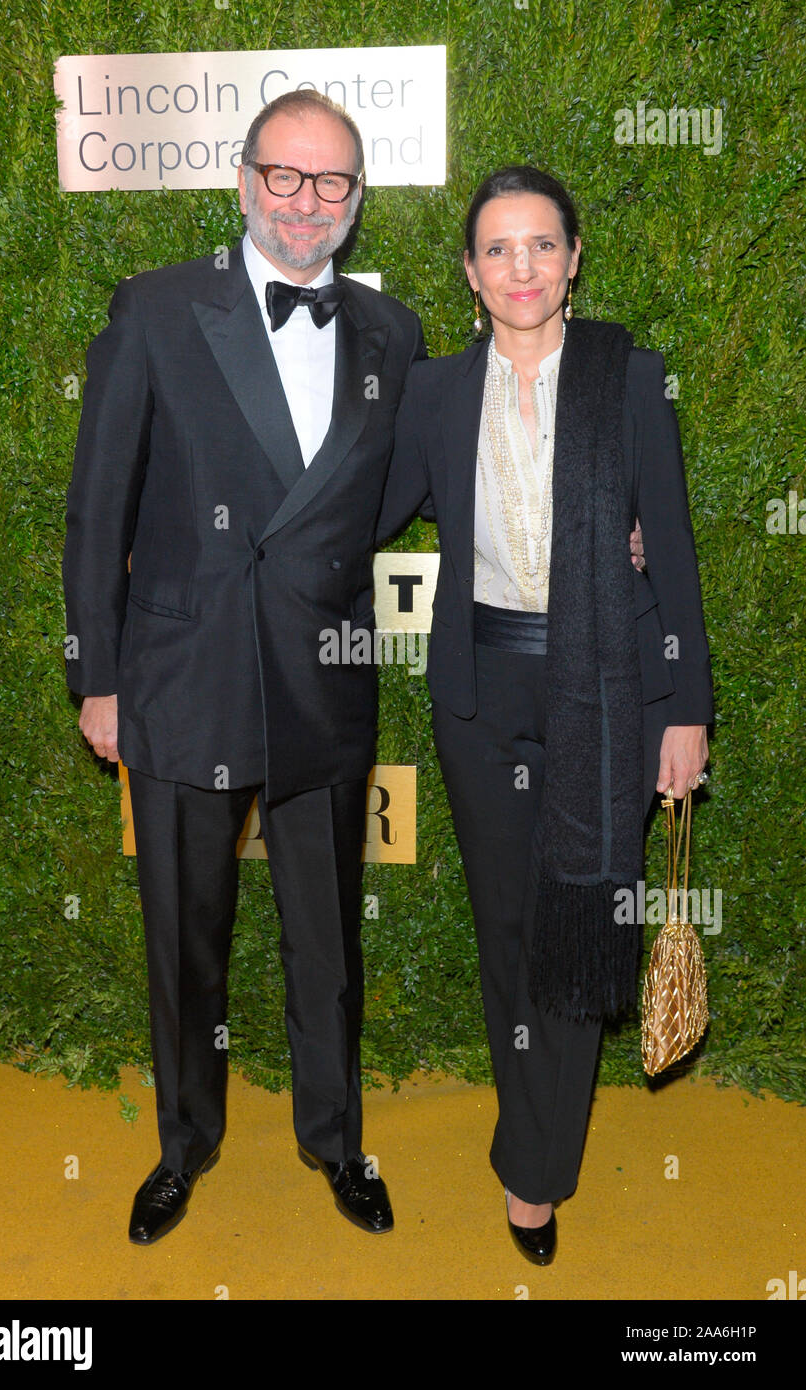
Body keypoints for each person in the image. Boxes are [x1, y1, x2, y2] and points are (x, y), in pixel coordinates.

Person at [63, 89, 426, 1244]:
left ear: (356, 203)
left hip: (320, 674)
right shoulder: (159, 310)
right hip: (181, 672)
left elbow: (408, 488)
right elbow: (95, 506)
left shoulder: (394, 333)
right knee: (184, 937)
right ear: (242, 180)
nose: (305, 202)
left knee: (327, 942)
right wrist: (99, 675)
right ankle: (184, 1145)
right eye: (285, 175)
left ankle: (334, 1137)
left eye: (331, 183)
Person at [376, 166, 712, 1264]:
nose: (519, 267)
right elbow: (358, 509)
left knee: (581, 931)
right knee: (508, 935)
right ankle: (530, 1131)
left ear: (572, 260)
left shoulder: (628, 378)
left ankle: (533, 1171)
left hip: (606, 687)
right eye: (495, 249)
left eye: (540, 246)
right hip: (483, 699)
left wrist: (684, 708)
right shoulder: (431, 394)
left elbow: (669, 543)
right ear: (470, 274)